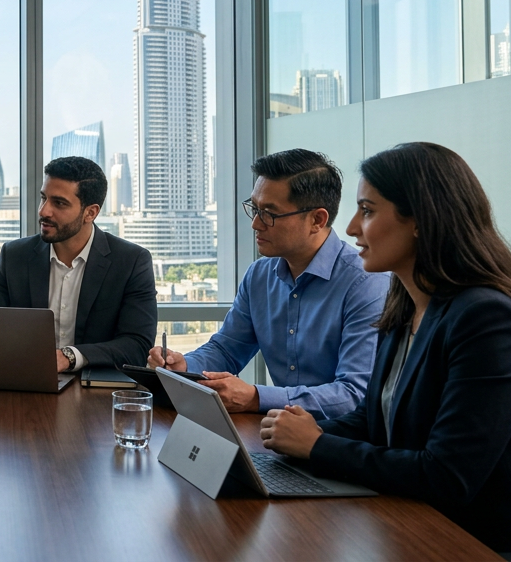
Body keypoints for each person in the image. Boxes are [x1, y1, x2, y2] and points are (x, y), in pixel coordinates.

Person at [260, 142, 511, 554]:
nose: (352, 227)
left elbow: (447, 475)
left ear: (421, 221)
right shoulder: (406, 303)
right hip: (418, 524)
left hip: (496, 543)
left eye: (367, 211)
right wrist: (285, 441)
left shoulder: (489, 320)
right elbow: (375, 420)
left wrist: (317, 445)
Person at [149, 149, 386, 419]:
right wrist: (183, 366)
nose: (255, 224)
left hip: (340, 444)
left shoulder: (366, 283)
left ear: (317, 220)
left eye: (269, 214)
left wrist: (255, 397)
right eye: (254, 209)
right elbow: (227, 349)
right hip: (278, 434)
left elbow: (353, 394)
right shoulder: (259, 275)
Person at [0, 156, 156, 370]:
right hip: (24, 382)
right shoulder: (14, 256)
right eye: (43, 198)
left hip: (96, 391)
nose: (43, 211)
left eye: (59, 203)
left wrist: (70, 356)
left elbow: (137, 346)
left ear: (90, 213)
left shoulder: (131, 261)